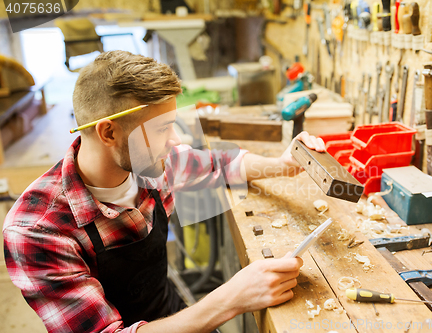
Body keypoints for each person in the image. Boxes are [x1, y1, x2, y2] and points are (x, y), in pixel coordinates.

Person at [3, 50, 326, 333]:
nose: (175, 142)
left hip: (171, 314)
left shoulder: (150, 164)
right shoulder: (36, 230)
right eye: (161, 129)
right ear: (109, 132)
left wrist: (284, 163)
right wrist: (231, 299)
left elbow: (220, 165)